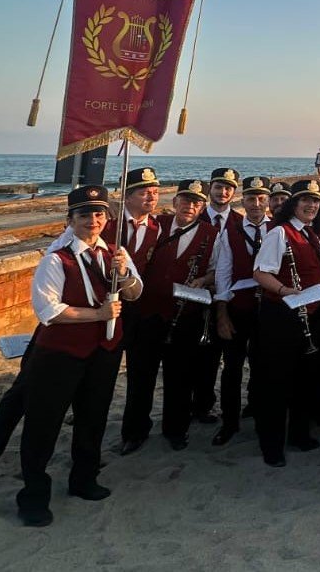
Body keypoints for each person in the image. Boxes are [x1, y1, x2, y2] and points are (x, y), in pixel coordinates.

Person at [0, 167, 161, 494]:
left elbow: (135, 286)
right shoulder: (69, 242)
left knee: (90, 408)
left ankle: (84, 471)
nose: (150, 197)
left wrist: (123, 275)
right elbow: (52, 299)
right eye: (143, 191)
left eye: (154, 191)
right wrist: (96, 310)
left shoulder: (146, 230)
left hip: (101, 338)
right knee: (20, 399)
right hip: (59, 338)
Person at [13, 185, 144, 526]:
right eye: (84, 214)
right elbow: (48, 311)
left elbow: (135, 293)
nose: (93, 220)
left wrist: (124, 274)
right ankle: (33, 496)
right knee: (44, 424)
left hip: (103, 351)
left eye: (99, 213)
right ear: (70, 219)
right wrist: (97, 315)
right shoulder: (56, 259)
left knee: (93, 418)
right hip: (61, 354)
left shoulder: (115, 253)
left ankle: (84, 479)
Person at [120, 179, 217, 455]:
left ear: (203, 207)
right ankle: (135, 431)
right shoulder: (156, 225)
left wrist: (203, 280)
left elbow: (215, 270)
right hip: (148, 313)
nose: (190, 206)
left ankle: (175, 429)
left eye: (196, 202)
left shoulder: (212, 234)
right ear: (174, 202)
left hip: (185, 316)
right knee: (140, 377)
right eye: (185, 200)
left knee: (180, 378)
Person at [251, 179, 320, 466]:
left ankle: (299, 434)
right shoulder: (279, 233)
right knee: (277, 383)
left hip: (310, 316)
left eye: (315, 201)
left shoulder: (312, 235)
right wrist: (285, 290)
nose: (311, 205)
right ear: (293, 204)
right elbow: (260, 273)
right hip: (282, 317)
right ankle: (272, 446)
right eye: (305, 200)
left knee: (304, 381)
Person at [210, 175, 271, 446]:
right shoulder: (230, 231)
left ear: (268, 201)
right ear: (242, 201)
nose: (256, 204)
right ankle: (229, 422)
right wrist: (222, 313)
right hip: (239, 309)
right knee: (232, 368)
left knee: (263, 366)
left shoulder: (278, 230)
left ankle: (258, 413)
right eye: (251, 198)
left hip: (268, 310)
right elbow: (223, 273)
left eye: (261, 198)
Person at [193, 168, 243, 424]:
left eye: (228, 188)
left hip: (230, 297)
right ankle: (200, 405)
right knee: (201, 356)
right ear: (209, 188)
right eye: (218, 187)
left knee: (229, 357)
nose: (223, 192)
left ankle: (220, 408)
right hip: (197, 295)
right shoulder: (195, 217)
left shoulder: (240, 222)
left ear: (234, 192)